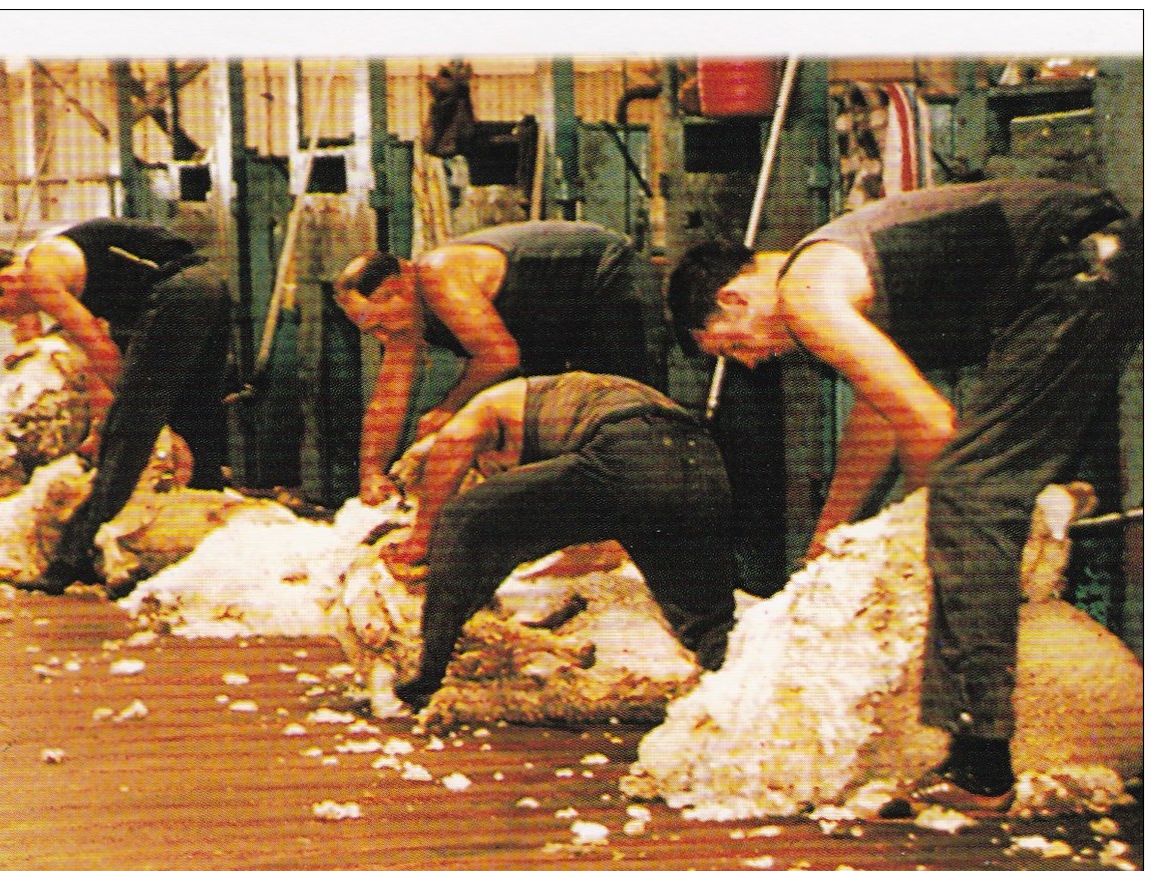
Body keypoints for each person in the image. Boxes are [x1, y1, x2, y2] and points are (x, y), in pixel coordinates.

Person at [666, 179, 1142, 815]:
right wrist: (831, 531)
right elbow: (879, 414)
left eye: (733, 345)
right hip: (1083, 268)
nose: (749, 363)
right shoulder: (839, 280)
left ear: (734, 298)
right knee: (975, 487)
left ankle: (982, 763)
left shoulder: (808, 294)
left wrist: (900, 551)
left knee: (971, 493)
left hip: (1078, 269)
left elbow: (928, 426)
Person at [384, 370, 737, 713]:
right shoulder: (571, 408)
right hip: (701, 458)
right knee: (705, 621)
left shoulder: (490, 406)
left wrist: (422, 536)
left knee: (466, 519)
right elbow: (591, 531)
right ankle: (738, 697)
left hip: (630, 448)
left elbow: (455, 443)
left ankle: (426, 676)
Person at [0, 217, 234, 593]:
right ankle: (208, 540)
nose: (15, 318)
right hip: (209, 287)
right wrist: (105, 422)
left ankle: (65, 562)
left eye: (5, 311)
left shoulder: (39, 274)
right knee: (196, 417)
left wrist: (133, 410)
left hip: (179, 293)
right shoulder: (61, 261)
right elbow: (101, 353)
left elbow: (98, 348)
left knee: (127, 440)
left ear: (7, 281)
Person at [334, 220, 666, 506]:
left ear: (398, 288)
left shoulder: (437, 274)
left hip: (607, 277)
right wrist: (371, 473)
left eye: (379, 325)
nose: (381, 336)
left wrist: (447, 411)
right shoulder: (402, 322)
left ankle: (623, 536)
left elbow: (499, 356)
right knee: (542, 425)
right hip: (552, 316)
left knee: (620, 418)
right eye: (370, 330)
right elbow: (387, 402)